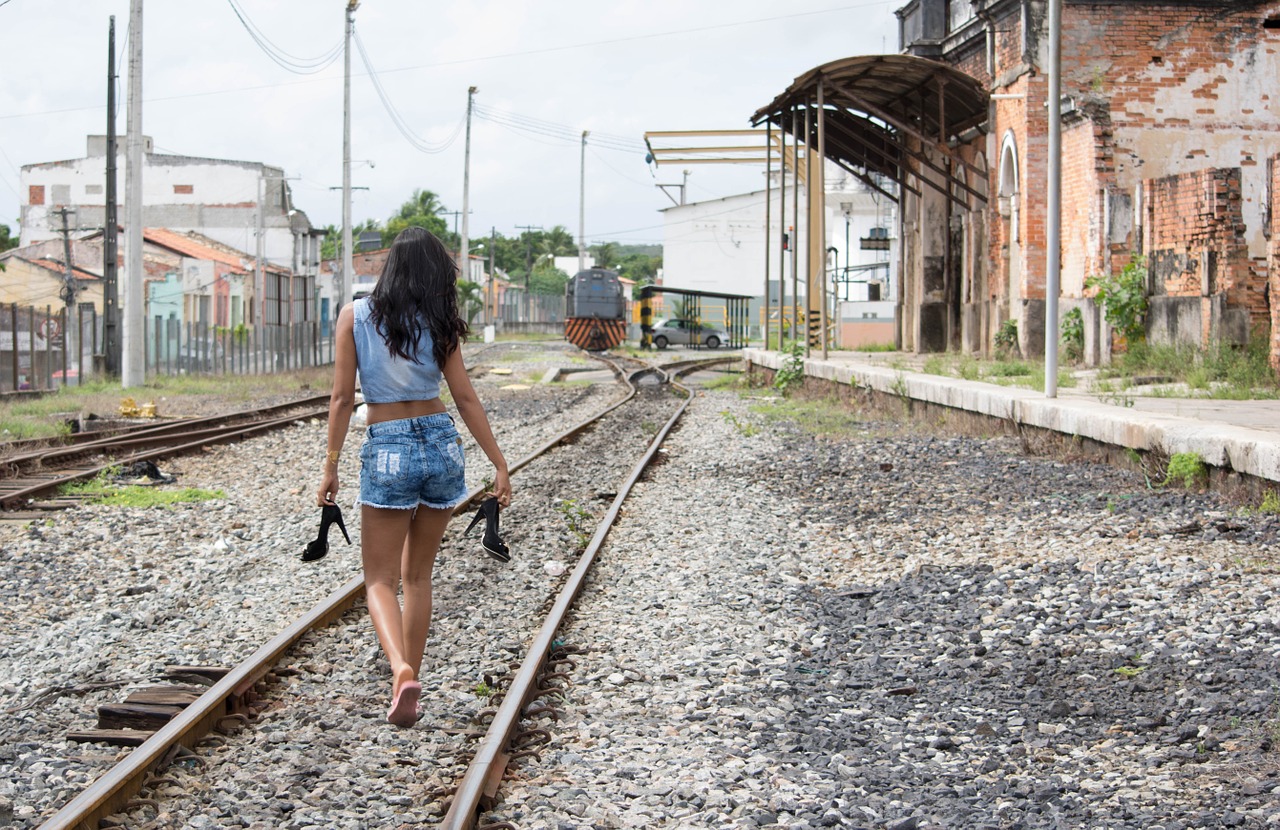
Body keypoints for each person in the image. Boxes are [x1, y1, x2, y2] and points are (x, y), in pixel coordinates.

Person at [316, 226, 512, 728]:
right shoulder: (441, 322)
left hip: (389, 447)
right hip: (442, 443)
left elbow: (341, 400)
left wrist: (331, 464)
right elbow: (465, 397)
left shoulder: (354, 317)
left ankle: (401, 670)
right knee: (418, 577)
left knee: (378, 579)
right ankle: (412, 685)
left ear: (389, 268)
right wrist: (498, 462)